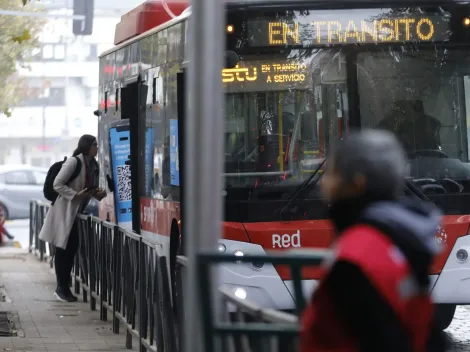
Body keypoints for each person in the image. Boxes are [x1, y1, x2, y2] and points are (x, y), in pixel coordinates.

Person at [300, 129, 447, 352]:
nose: (323, 184)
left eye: (332, 174)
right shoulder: (399, 240)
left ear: (357, 184)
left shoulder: (355, 258)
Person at [39, 135, 107, 302]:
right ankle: (61, 288)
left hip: (77, 214)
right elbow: (57, 184)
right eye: (94, 145)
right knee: (64, 250)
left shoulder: (93, 165)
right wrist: (75, 195)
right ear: (86, 147)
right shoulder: (74, 162)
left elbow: (88, 189)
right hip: (65, 211)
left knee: (70, 251)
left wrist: (97, 195)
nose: (97, 148)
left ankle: (64, 286)